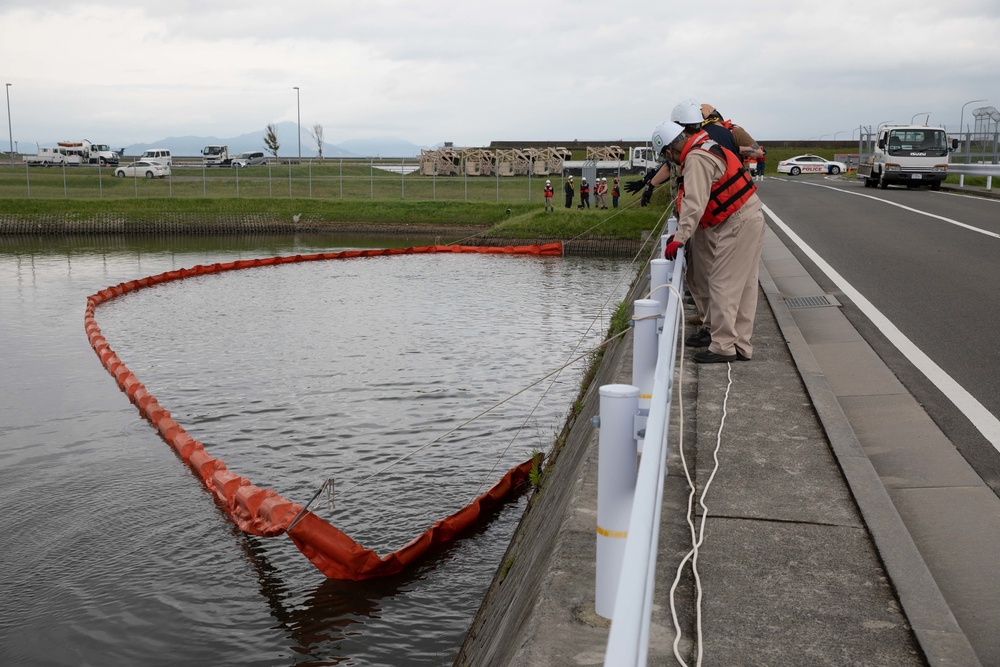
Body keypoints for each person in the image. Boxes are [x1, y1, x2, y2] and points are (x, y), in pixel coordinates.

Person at [652, 119, 765, 364]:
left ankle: (723, 346)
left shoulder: (696, 159)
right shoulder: (707, 146)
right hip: (750, 214)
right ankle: (741, 345)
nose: (670, 160)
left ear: (670, 150)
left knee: (721, 283)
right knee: (744, 286)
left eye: (667, 155)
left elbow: (695, 202)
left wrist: (680, 237)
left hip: (736, 221)